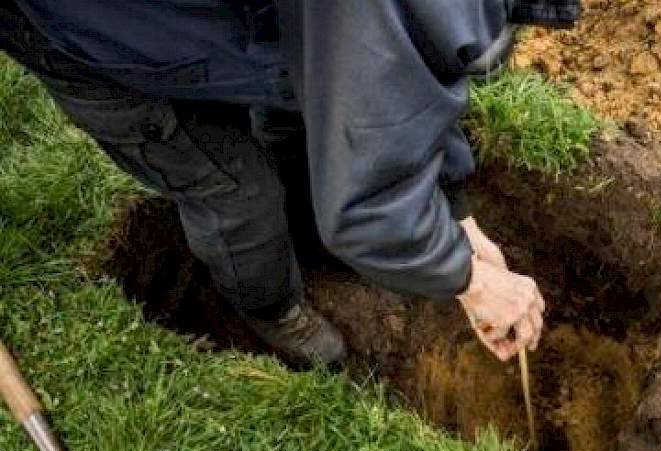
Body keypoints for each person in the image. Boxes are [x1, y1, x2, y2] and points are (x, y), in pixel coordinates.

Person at [0, 1, 553, 367]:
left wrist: (456, 211)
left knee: (302, 106)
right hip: (96, 32)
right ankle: (269, 307)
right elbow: (365, 204)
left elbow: (408, 78)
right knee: (235, 193)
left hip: (228, 21)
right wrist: (470, 282)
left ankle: (308, 213)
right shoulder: (354, 15)